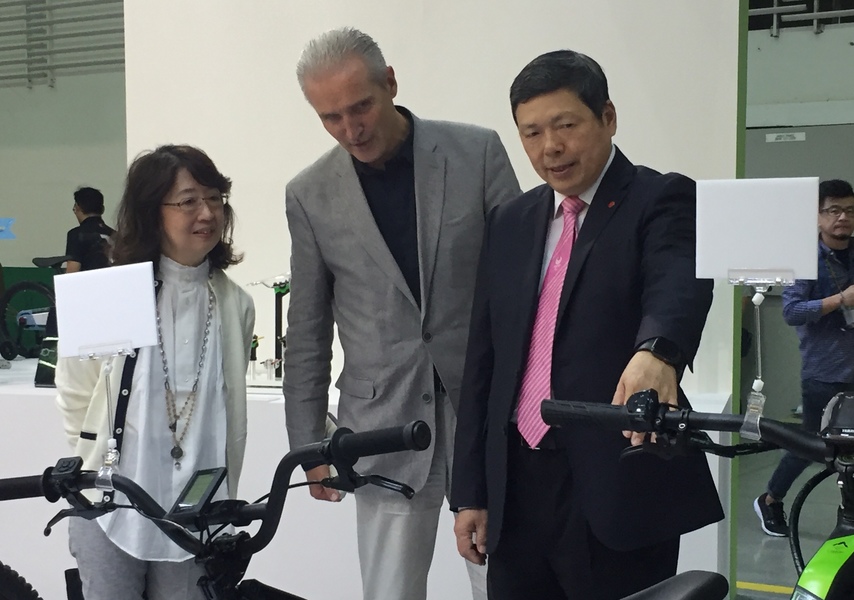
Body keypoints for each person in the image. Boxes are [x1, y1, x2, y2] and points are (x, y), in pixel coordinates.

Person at [450, 50, 725, 600]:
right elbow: (483, 361)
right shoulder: (510, 221)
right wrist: (470, 491)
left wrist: (658, 350)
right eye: (531, 133)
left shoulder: (661, 198)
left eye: (566, 125)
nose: (549, 147)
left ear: (608, 117)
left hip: (614, 479)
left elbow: (677, 281)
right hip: (517, 485)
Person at [283, 27, 521, 600]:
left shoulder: (477, 153)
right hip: (381, 424)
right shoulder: (309, 193)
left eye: (360, 107)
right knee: (390, 590)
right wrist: (308, 443)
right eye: (330, 117)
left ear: (390, 83)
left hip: (485, 409)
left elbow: (524, 286)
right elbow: (307, 329)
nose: (351, 129)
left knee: (503, 581)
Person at [55, 145, 255, 600]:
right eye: (188, 201)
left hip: (196, 510)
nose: (207, 213)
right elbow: (74, 395)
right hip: (109, 503)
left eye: (215, 198)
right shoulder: (108, 293)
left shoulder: (235, 304)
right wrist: (96, 467)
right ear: (152, 212)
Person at [754, 178, 854, 537]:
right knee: (813, 445)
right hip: (824, 371)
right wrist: (840, 301)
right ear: (817, 215)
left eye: (850, 210)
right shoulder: (804, 259)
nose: (843, 217)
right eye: (834, 210)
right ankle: (770, 499)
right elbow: (792, 311)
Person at [65, 186, 115, 273]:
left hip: (89, 281)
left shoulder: (77, 234)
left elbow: (72, 270)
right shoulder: (116, 235)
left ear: (77, 208)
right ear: (102, 209)